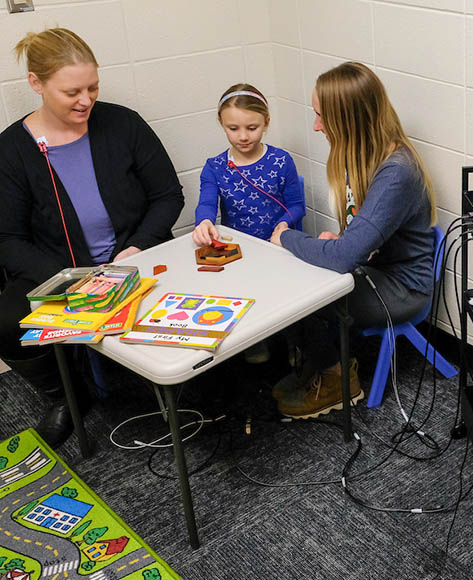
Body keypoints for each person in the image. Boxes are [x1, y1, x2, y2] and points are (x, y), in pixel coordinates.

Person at [0, 28, 184, 447]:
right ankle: (69, 396)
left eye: (93, 87)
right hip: (60, 271)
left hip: (138, 258)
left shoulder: (123, 124)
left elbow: (167, 195)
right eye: (72, 92)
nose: (86, 100)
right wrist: (70, 278)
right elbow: (7, 239)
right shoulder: (11, 150)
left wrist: (135, 249)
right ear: (36, 84)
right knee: (5, 322)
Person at [270, 62, 437, 419]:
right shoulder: (360, 154)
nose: (316, 125)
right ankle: (323, 363)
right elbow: (358, 237)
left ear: (348, 119)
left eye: (321, 116)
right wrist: (344, 238)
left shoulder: (397, 172)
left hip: (402, 288)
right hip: (374, 267)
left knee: (299, 295)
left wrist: (287, 238)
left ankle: (337, 379)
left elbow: (344, 257)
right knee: (295, 276)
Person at [192, 83, 305, 245]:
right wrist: (204, 222)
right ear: (221, 122)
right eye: (233, 128)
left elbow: (296, 206)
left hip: (277, 245)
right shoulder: (214, 167)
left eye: (252, 128)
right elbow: (206, 204)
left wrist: (284, 223)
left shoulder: (281, 160)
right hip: (239, 248)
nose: (243, 136)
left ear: (266, 122)